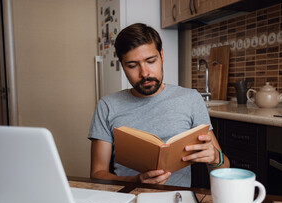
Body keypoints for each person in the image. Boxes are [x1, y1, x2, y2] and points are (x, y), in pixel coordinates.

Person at [88, 23, 229, 187]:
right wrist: (134, 181)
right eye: (132, 65)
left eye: (150, 61)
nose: (144, 73)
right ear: (122, 65)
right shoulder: (107, 106)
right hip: (127, 199)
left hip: (176, 202)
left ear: (161, 56)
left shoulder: (190, 99)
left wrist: (215, 158)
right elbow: (97, 175)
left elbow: (224, 168)